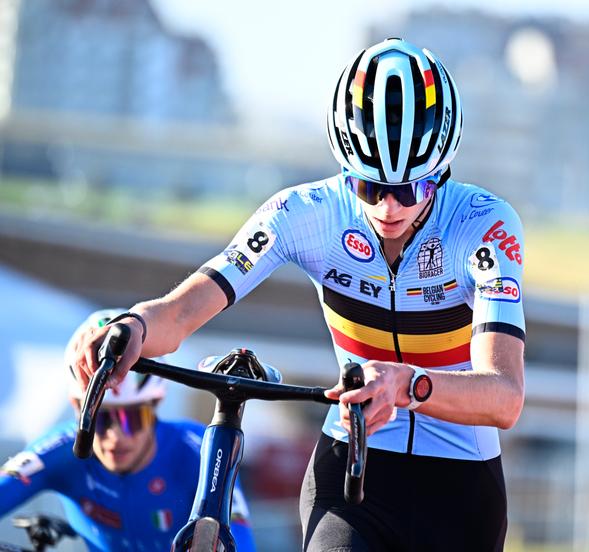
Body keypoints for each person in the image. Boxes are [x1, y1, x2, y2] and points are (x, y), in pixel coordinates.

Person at [72, 37, 525, 552]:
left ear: (441, 174)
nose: (389, 208)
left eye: (411, 189)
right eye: (370, 188)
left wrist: (406, 385)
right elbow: (179, 314)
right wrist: (130, 325)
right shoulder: (305, 214)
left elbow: (504, 397)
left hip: (460, 487)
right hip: (353, 472)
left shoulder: (484, 225)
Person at [2, 309, 256, 552]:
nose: (117, 436)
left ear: (156, 406)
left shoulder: (201, 449)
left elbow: (241, 542)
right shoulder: (58, 448)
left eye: (132, 419)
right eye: (99, 420)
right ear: (77, 409)